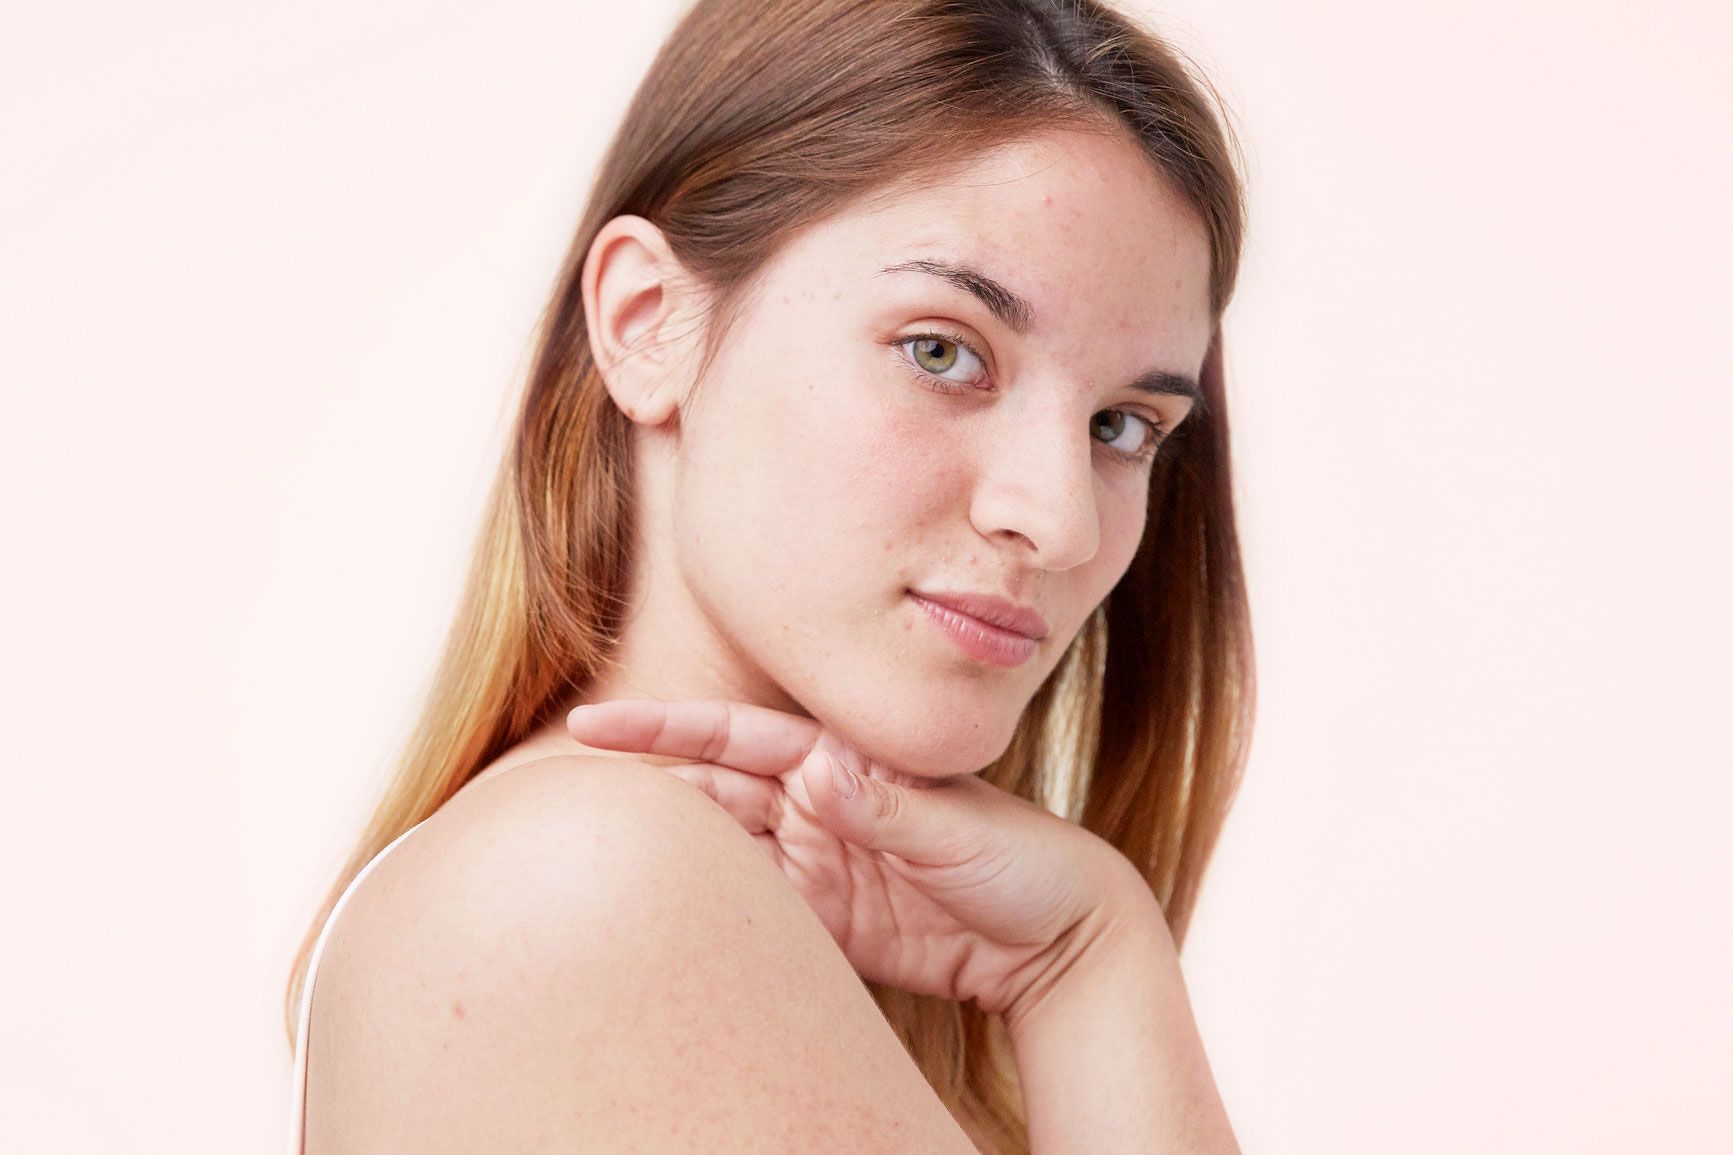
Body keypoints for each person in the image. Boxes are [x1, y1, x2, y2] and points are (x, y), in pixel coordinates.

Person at [284, 0, 1255, 1150]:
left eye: (1121, 426)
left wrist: (1085, 955)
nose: (1058, 521)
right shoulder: (589, 878)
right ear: (647, 322)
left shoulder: (777, 926)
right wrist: (1090, 964)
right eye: (940, 351)